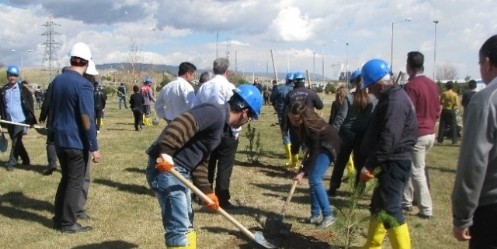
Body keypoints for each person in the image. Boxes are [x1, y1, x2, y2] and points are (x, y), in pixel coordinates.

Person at [146, 84, 262, 248]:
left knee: (187, 225)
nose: (247, 121)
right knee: (179, 230)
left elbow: (201, 160)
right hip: (167, 170)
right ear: (245, 112)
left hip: (181, 171)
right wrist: (166, 151)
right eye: (250, 118)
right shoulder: (215, 112)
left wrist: (207, 193)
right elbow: (182, 122)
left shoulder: (221, 127)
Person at [359, 58, 417, 249]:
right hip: (388, 162)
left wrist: (370, 164)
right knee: (379, 205)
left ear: (378, 84)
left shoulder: (394, 102)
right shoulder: (390, 98)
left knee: (391, 210)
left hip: (394, 163)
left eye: (369, 86)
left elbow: (389, 139)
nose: (367, 91)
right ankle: (372, 245)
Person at [49, 42, 101, 233]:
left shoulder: (58, 80)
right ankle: (68, 223)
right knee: (74, 182)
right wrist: (94, 146)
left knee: (65, 180)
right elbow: (87, 117)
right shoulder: (84, 85)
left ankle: (59, 218)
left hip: (60, 140)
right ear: (87, 63)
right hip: (76, 141)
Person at [451, 34, 497, 249]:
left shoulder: (486, 100)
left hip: (491, 210)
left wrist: (462, 217)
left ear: (487, 62)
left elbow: (473, 162)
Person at [193, 58, 240, 210]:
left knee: (207, 163)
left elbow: (196, 107)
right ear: (227, 70)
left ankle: (204, 194)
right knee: (225, 165)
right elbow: (235, 110)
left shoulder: (204, 87)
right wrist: (236, 131)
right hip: (226, 129)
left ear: (213, 70)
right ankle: (222, 197)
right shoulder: (230, 87)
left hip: (207, 128)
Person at [288, 101, 341, 229]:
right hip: (317, 146)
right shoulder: (297, 123)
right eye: (291, 119)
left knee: (315, 178)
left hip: (329, 145)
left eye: (296, 120)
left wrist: (302, 171)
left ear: (303, 117)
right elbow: (298, 142)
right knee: (313, 177)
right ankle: (315, 215)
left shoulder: (313, 126)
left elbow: (315, 151)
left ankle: (328, 215)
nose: (293, 122)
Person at [401, 51, 440, 220]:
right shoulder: (432, 84)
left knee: (417, 170)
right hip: (430, 132)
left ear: (409, 67)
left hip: (418, 133)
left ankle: (426, 208)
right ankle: (406, 201)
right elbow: (437, 110)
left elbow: (407, 111)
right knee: (412, 166)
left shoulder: (412, 86)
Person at [328, 69, 377, 196]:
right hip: (363, 135)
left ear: (354, 82)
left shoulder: (349, 97)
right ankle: (359, 188)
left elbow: (340, 118)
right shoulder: (372, 99)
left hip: (347, 134)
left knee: (341, 161)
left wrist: (332, 133)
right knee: (360, 162)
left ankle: (334, 186)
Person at [0, 65, 37, 171]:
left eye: (14, 75)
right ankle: (25, 159)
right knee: (17, 141)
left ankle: (12, 162)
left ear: (17, 77)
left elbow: (30, 103)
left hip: (20, 120)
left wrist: (30, 119)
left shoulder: (23, 89)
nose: (12, 77)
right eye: (10, 75)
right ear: (7, 75)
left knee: (15, 141)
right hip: (9, 120)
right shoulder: (4, 90)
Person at [285, 71, 324, 170]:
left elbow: (285, 112)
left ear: (294, 82)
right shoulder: (311, 93)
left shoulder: (290, 94)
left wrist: (285, 126)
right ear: (303, 81)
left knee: (295, 144)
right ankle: (309, 165)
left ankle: (294, 164)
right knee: (310, 145)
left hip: (294, 123)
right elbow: (320, 106)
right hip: (309, 124)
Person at [272, 73, 295, 168]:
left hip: (282, 114)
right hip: (295, 115)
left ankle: (290, 157)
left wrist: (276, 107)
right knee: (296, 134)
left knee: (285, 134)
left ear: (286, 80)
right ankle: (295, 157)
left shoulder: (280, 88)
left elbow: (272, 99)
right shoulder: (297, 90)